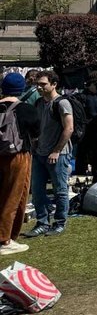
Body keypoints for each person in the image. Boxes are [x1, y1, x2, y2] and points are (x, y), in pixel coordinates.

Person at [24, 71, 73, 238]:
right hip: (39, 152)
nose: (39, 87)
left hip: (58, 154)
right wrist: (35, 144)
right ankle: (42, 222)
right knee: (37, 190)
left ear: (54, 84)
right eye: (38, 84)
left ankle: (60, 222)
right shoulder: (38, 103)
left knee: (60, 190)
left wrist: (57, 151)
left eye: (43, 84)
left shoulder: (62, 103)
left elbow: (69, 128)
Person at [1, 73, 39, 255]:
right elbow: (36, 132)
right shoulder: (25, 109)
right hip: (17, 155)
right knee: (14, 196)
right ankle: (5, 239)